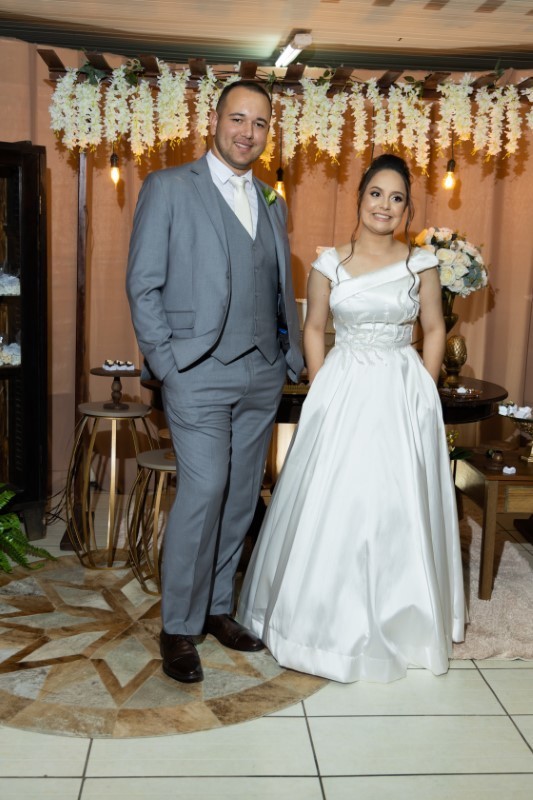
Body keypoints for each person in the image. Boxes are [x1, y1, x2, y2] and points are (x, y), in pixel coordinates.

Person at [238, 154, 465, 683]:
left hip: (400, 388)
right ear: (360, 198)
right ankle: (320, 620)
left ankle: (404, 617)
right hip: (342, 387)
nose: (384, 205)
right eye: (376, 194)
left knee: (396, 500)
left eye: (396, 197)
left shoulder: (421, 264)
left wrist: (424, 387)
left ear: (407, 209)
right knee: (338, 499)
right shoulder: (328, 264)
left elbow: (435, 328)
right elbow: (313, 327)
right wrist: (322, 385)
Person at [126, 80, 303, 684]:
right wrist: (167, 363)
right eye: (238, 119)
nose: (247, 133)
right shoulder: (169, 187)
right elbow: (143, 283)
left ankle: (217, 607)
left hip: (262, 372)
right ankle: (178, 625)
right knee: (205, 491)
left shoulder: (272, 199)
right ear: (215, 120)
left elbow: (276, 283)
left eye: (260, 123)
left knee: (241, 494)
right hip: (195, 372)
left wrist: (287, 355)